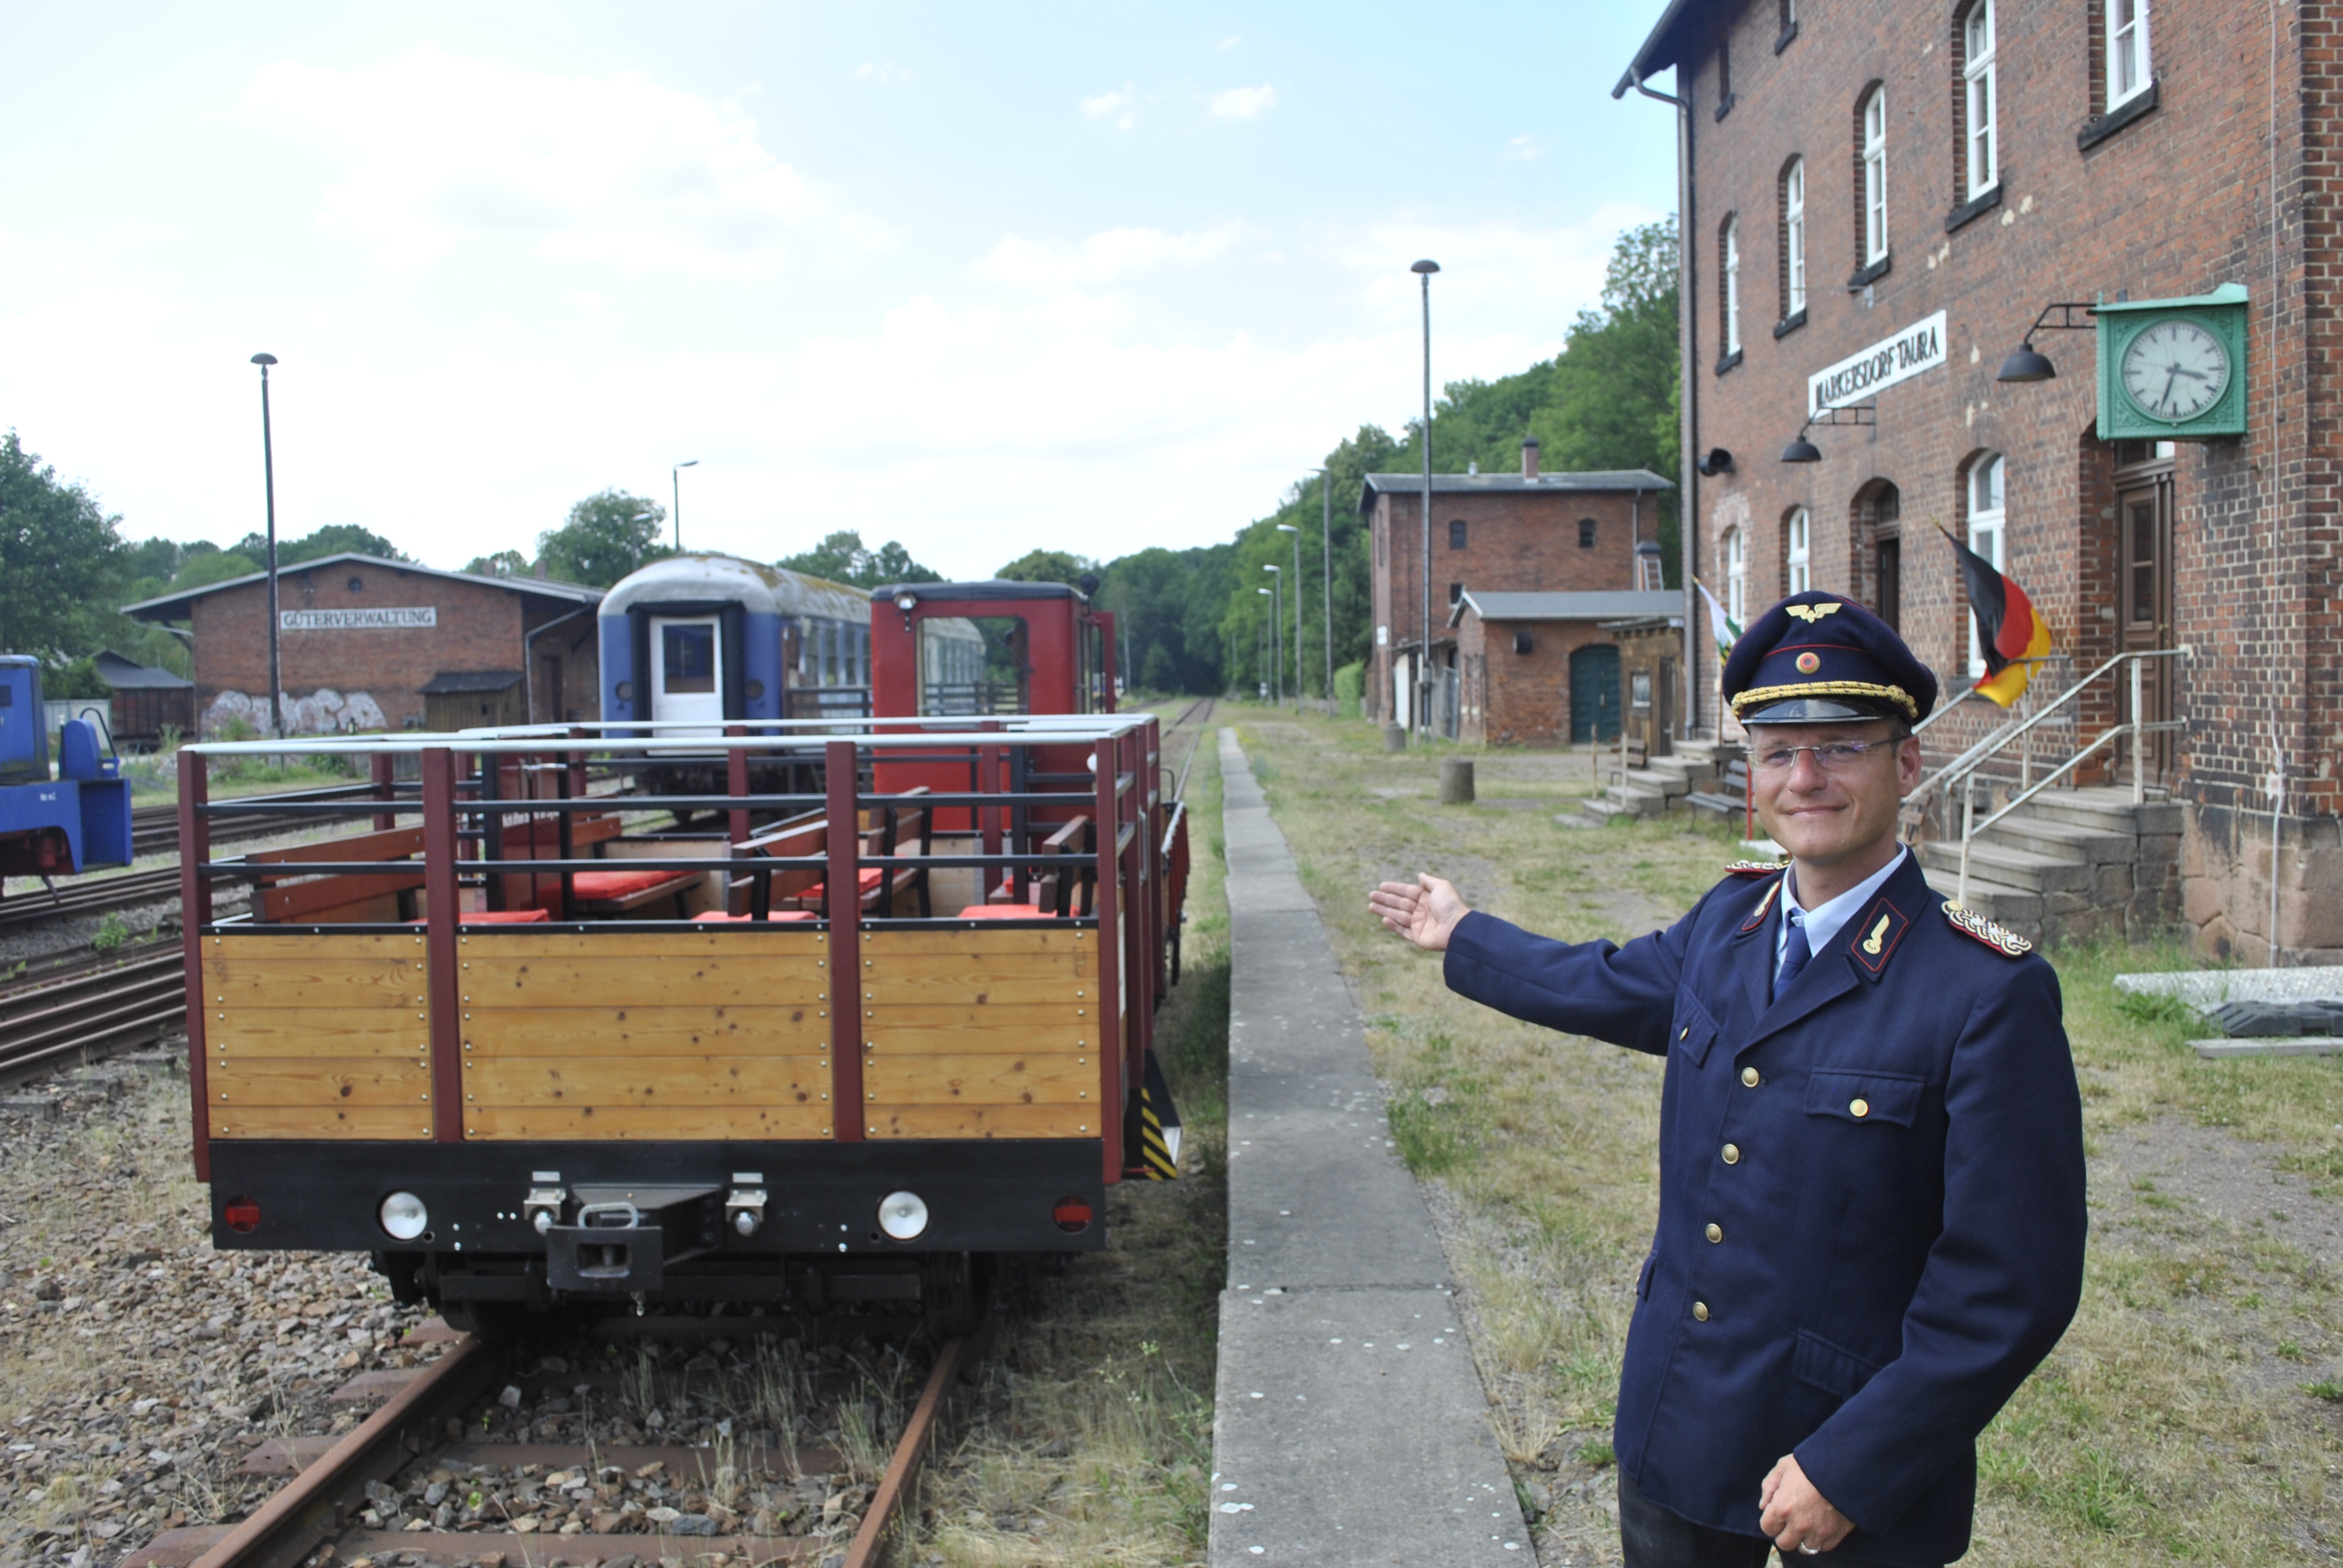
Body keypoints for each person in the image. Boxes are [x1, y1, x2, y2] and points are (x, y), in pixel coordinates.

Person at [1369, 590, 2086, 1566]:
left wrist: (1855, 1465)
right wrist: (1464, 933)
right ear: (1751, 773)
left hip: (1852, 1458)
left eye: (1840, 746)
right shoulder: (1729, 924)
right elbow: (1607, 982)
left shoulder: (1982, 992)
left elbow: (2012, 1285)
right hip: (1686, 1416)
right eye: (1778, 751)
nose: (1806, 778)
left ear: (1906, 762)